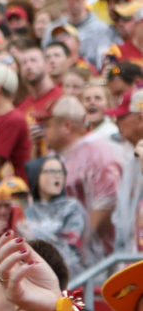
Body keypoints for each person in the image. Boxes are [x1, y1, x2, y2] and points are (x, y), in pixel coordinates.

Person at [43, 96, 124, 266]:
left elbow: (106, 205)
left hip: (97, 260)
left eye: (48, 125)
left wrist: (81, 247)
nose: (44, 132)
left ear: (67, 126)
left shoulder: (98, 152)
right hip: (66, 254)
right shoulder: (56, 155)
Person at [20, 155, 86, 275]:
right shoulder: (27, 211)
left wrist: (33, 235)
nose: (57, 175)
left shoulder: (72, 208)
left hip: (65, 275)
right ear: (36, 175)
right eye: (50, 171)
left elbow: (70, 248)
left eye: (60, 171)